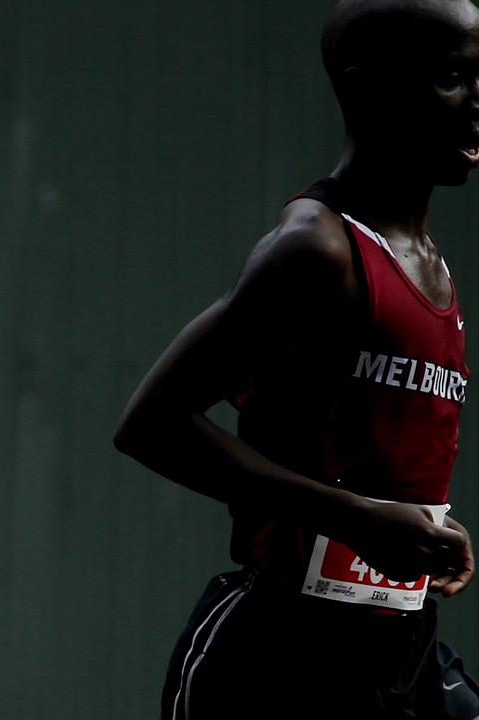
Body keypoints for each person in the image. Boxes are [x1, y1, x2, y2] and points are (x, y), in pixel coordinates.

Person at [114, 1, 479, 717]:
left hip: (399, 648)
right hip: (280, 658)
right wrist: (363, 519)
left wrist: (422, 525)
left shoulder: (431, 264)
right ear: (366, 87)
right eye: (451, 77)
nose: (477, 100)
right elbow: (151, 424)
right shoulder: (316, 250)